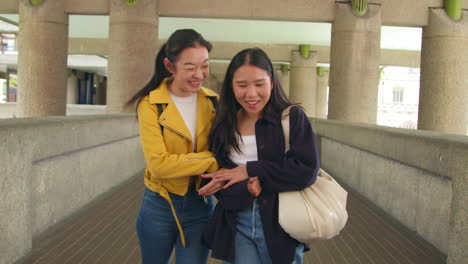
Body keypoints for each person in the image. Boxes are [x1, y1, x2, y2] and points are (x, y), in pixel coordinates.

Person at [199, 48, 320, 264]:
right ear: (231, 86)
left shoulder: (291, 117)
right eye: (242, 85)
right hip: (236, 222)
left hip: (282, 223)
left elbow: (305, 170)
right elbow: (221, 180)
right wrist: (245, 187)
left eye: (259, 84)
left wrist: (249, 170)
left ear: (272, 82)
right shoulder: (224, 123)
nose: (251, 94)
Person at [128, 29, 223, 264]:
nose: (199, 74)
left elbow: (228, 151)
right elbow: (159, 165)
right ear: (169, 66)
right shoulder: (150, 104)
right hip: (159, 205)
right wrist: (210, 160)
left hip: (200, 204)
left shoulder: (214, 102)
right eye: (190, 67)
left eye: (204, 66)